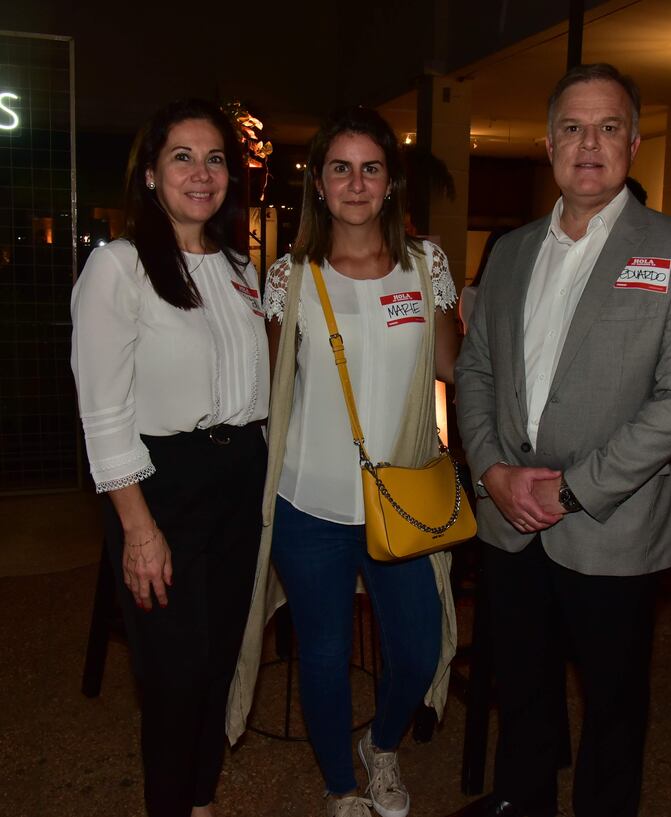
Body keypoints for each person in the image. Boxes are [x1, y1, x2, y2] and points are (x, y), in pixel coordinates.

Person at [455, 64, 671, 817]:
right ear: (548, 144)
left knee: (612, 712)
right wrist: (492, 470)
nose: (590, 144)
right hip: (509, 521)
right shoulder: (508, 252)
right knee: (524, 693)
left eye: (609, 127)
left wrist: (572, 488)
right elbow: (475, 369)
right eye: (573, 127)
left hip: (610, 525)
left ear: (634, 142)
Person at [227, 106, 459, 817]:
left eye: (371, 168)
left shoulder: (427, 265)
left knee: (419, 646)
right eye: (340, 168)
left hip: (403, 502)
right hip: (311, 503)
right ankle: (339, 786)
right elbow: (270, 392)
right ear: (319, 185)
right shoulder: (290, 276)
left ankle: (380, 746)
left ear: (390, 183)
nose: (356, 183)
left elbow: (455, 364)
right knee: (323, 653)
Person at [71, 98, 269, 817]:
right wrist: (138, 526)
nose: (201, 171)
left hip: (238, 478)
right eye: (181, 156)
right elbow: (103, 408)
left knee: (217, 662)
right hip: (162, 486)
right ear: (150, 174)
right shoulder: (118, 268)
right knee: (174, 674)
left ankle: (202, 800)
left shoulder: (242, 268)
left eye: (215, 157)